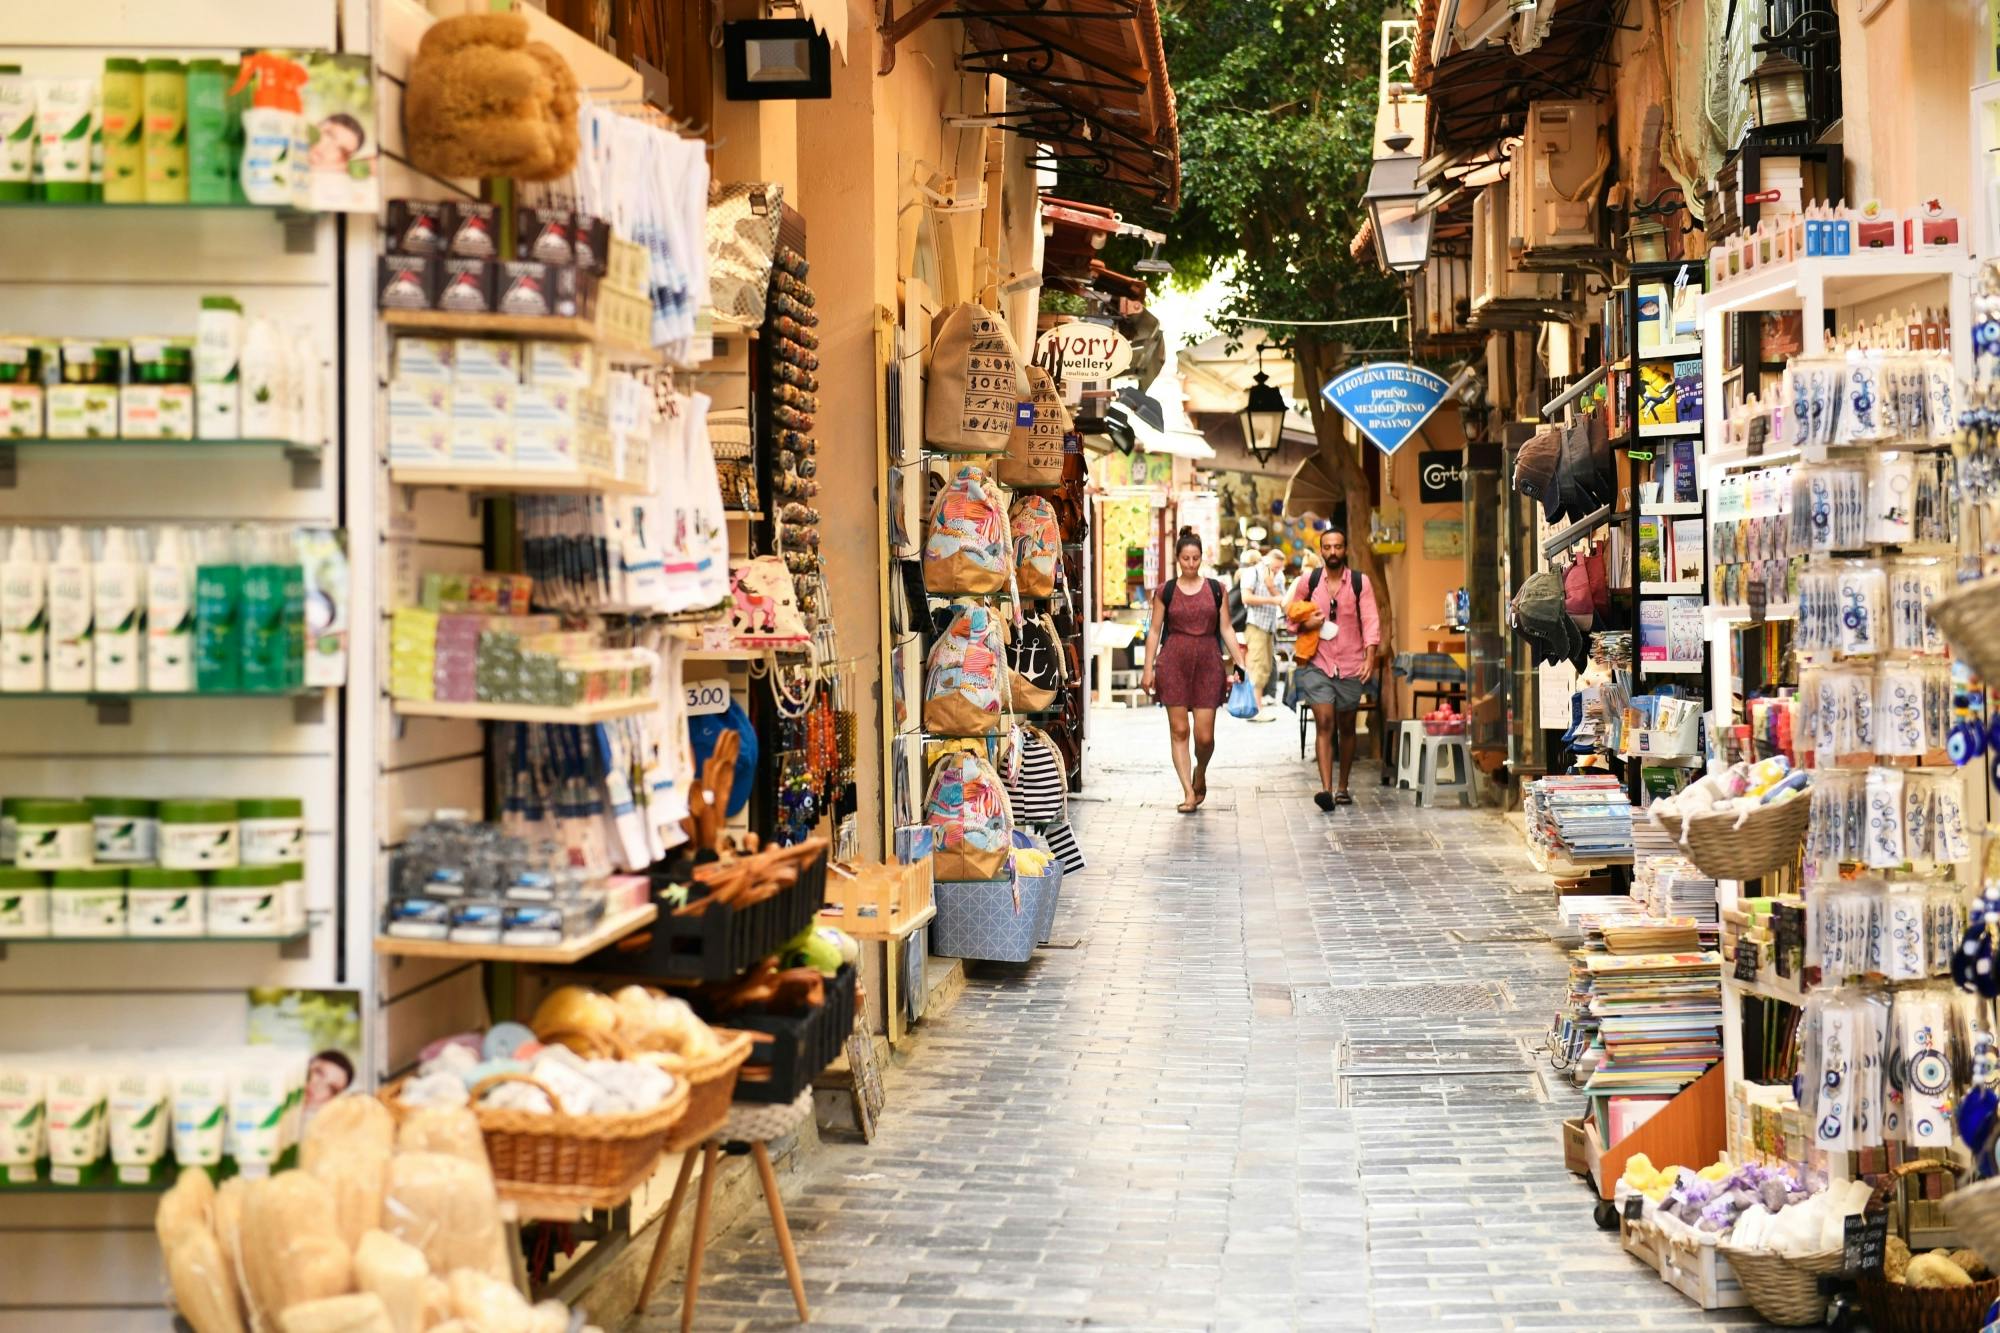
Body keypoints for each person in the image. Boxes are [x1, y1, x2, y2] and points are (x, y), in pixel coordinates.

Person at [1142, 529, 1249, 813]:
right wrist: (1147, 668)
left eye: (1195, 558)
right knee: (1179, 730)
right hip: (1173, 661)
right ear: (1177, 558)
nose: (1191, 563)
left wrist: (1240, 661)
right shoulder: (1165, 591)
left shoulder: (1216, 589)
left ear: (1201, 558)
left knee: (1205, 737)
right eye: (1186, 558)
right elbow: (1154, 631)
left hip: (1208, 663)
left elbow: (1226, 627)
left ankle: (1200, 771)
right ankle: (1188, 793)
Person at [1287, 526, 1382, 811]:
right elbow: (1291, 612)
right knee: (1325, 722)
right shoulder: (1309, 580)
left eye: (1337, 547)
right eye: (1327, 547)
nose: (1332, 552)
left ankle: (1343, 786)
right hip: (1318, 662)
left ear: (1345, 549)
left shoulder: (1359, 583)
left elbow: (1371, 620)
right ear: (1321, 550)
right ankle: (1326, 789)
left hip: (1352, 663)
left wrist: (1370, 657)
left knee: (1347, 727)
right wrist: (1308, 624)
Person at [1239, 546, 1288, 720]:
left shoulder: (1278, 577)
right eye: (1274, 567)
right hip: (1256, 624)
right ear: (1267, 561)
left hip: (1269, 627)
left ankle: (1256, 707)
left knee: (1266, 667)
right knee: (1257, 666)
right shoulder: (1253, 573)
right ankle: (1255, 709)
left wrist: (1271, 586)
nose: (1276, 571)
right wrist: (1271, 599)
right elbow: (1246, 598)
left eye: (1279, 568)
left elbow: (1284, 601)